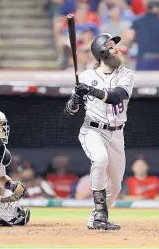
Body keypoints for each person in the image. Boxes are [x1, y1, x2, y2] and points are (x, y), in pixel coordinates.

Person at [64, 33, 135, 230]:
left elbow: (116, 97)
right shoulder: (85, 76)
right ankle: (100, 217)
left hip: (116, 134)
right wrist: (76, 99)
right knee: (100, 158)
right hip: (92, 130)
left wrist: (90, 91)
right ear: (101, 51)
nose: (117, 49)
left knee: (116, 187)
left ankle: (95, 217)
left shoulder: (126, 74)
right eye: (111, 46)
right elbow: (70, 112)